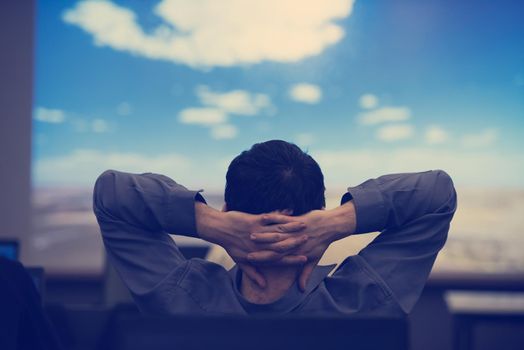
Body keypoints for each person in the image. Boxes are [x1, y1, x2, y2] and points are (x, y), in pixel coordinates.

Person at [93, 140, 456, 315]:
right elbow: (437, 193)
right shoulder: (363, 299)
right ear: (317, 212)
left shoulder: (182, 298)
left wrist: (211, 224)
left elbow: (111, 194)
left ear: (229, 210)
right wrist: (336, 223)